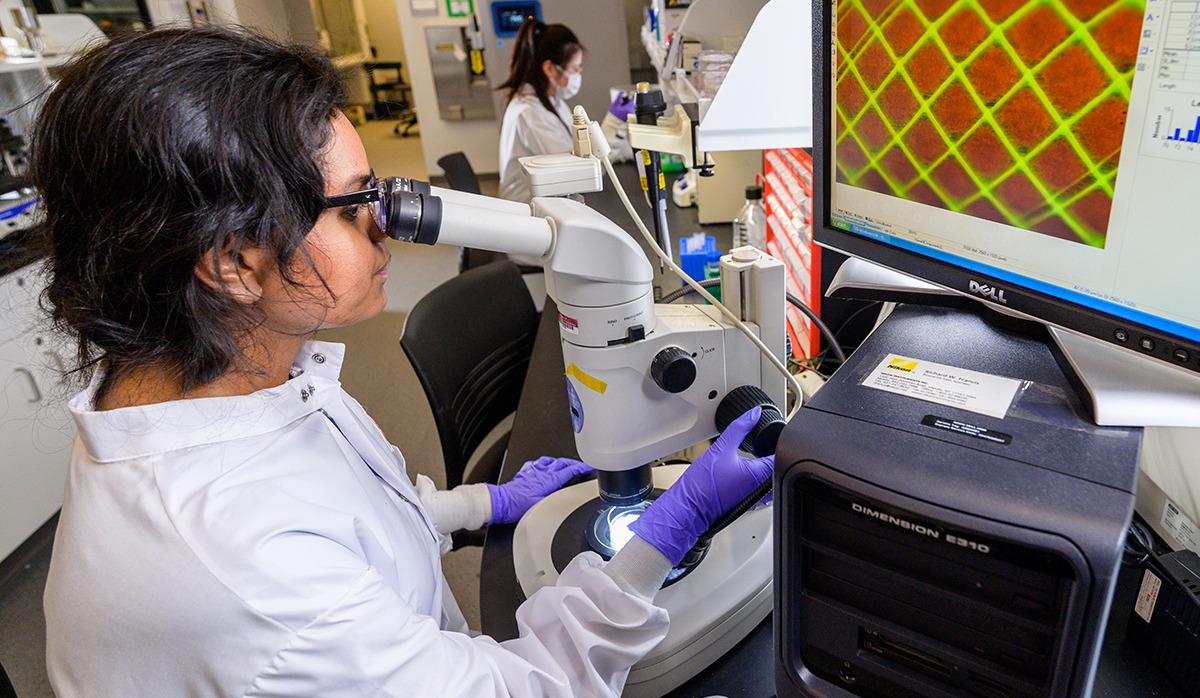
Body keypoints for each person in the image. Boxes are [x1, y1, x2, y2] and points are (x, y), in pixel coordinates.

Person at [32, 26, 774, 697]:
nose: (385, 228)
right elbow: (530, 690)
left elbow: (345, 521)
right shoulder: (247, 573)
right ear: (234, 262)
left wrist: (475, 505)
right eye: (355, 206)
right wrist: (658, 543)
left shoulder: (213, 382)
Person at [495, 18, 584, 203]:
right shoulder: (530, 112)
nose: (578, 76)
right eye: (575, 69)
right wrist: (612, 128)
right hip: (525, 213)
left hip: (545, 200)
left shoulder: (552, 101)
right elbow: (575, 171)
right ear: (550, 68)